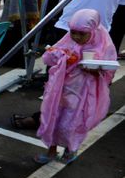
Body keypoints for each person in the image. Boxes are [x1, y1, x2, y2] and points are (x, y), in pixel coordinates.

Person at [34, 9, 116, 164]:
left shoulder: (103, 43)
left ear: (92, 31)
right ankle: (51, 151)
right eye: (73, 32)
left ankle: (70, 150)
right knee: (54, 118)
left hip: (83, 93)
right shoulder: (68, 40)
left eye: (82, 33)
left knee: (73, 123)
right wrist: (61, 56)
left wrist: (95, 70)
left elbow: (109, 70)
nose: (76, 37)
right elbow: (49, 58)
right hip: (61, 90)